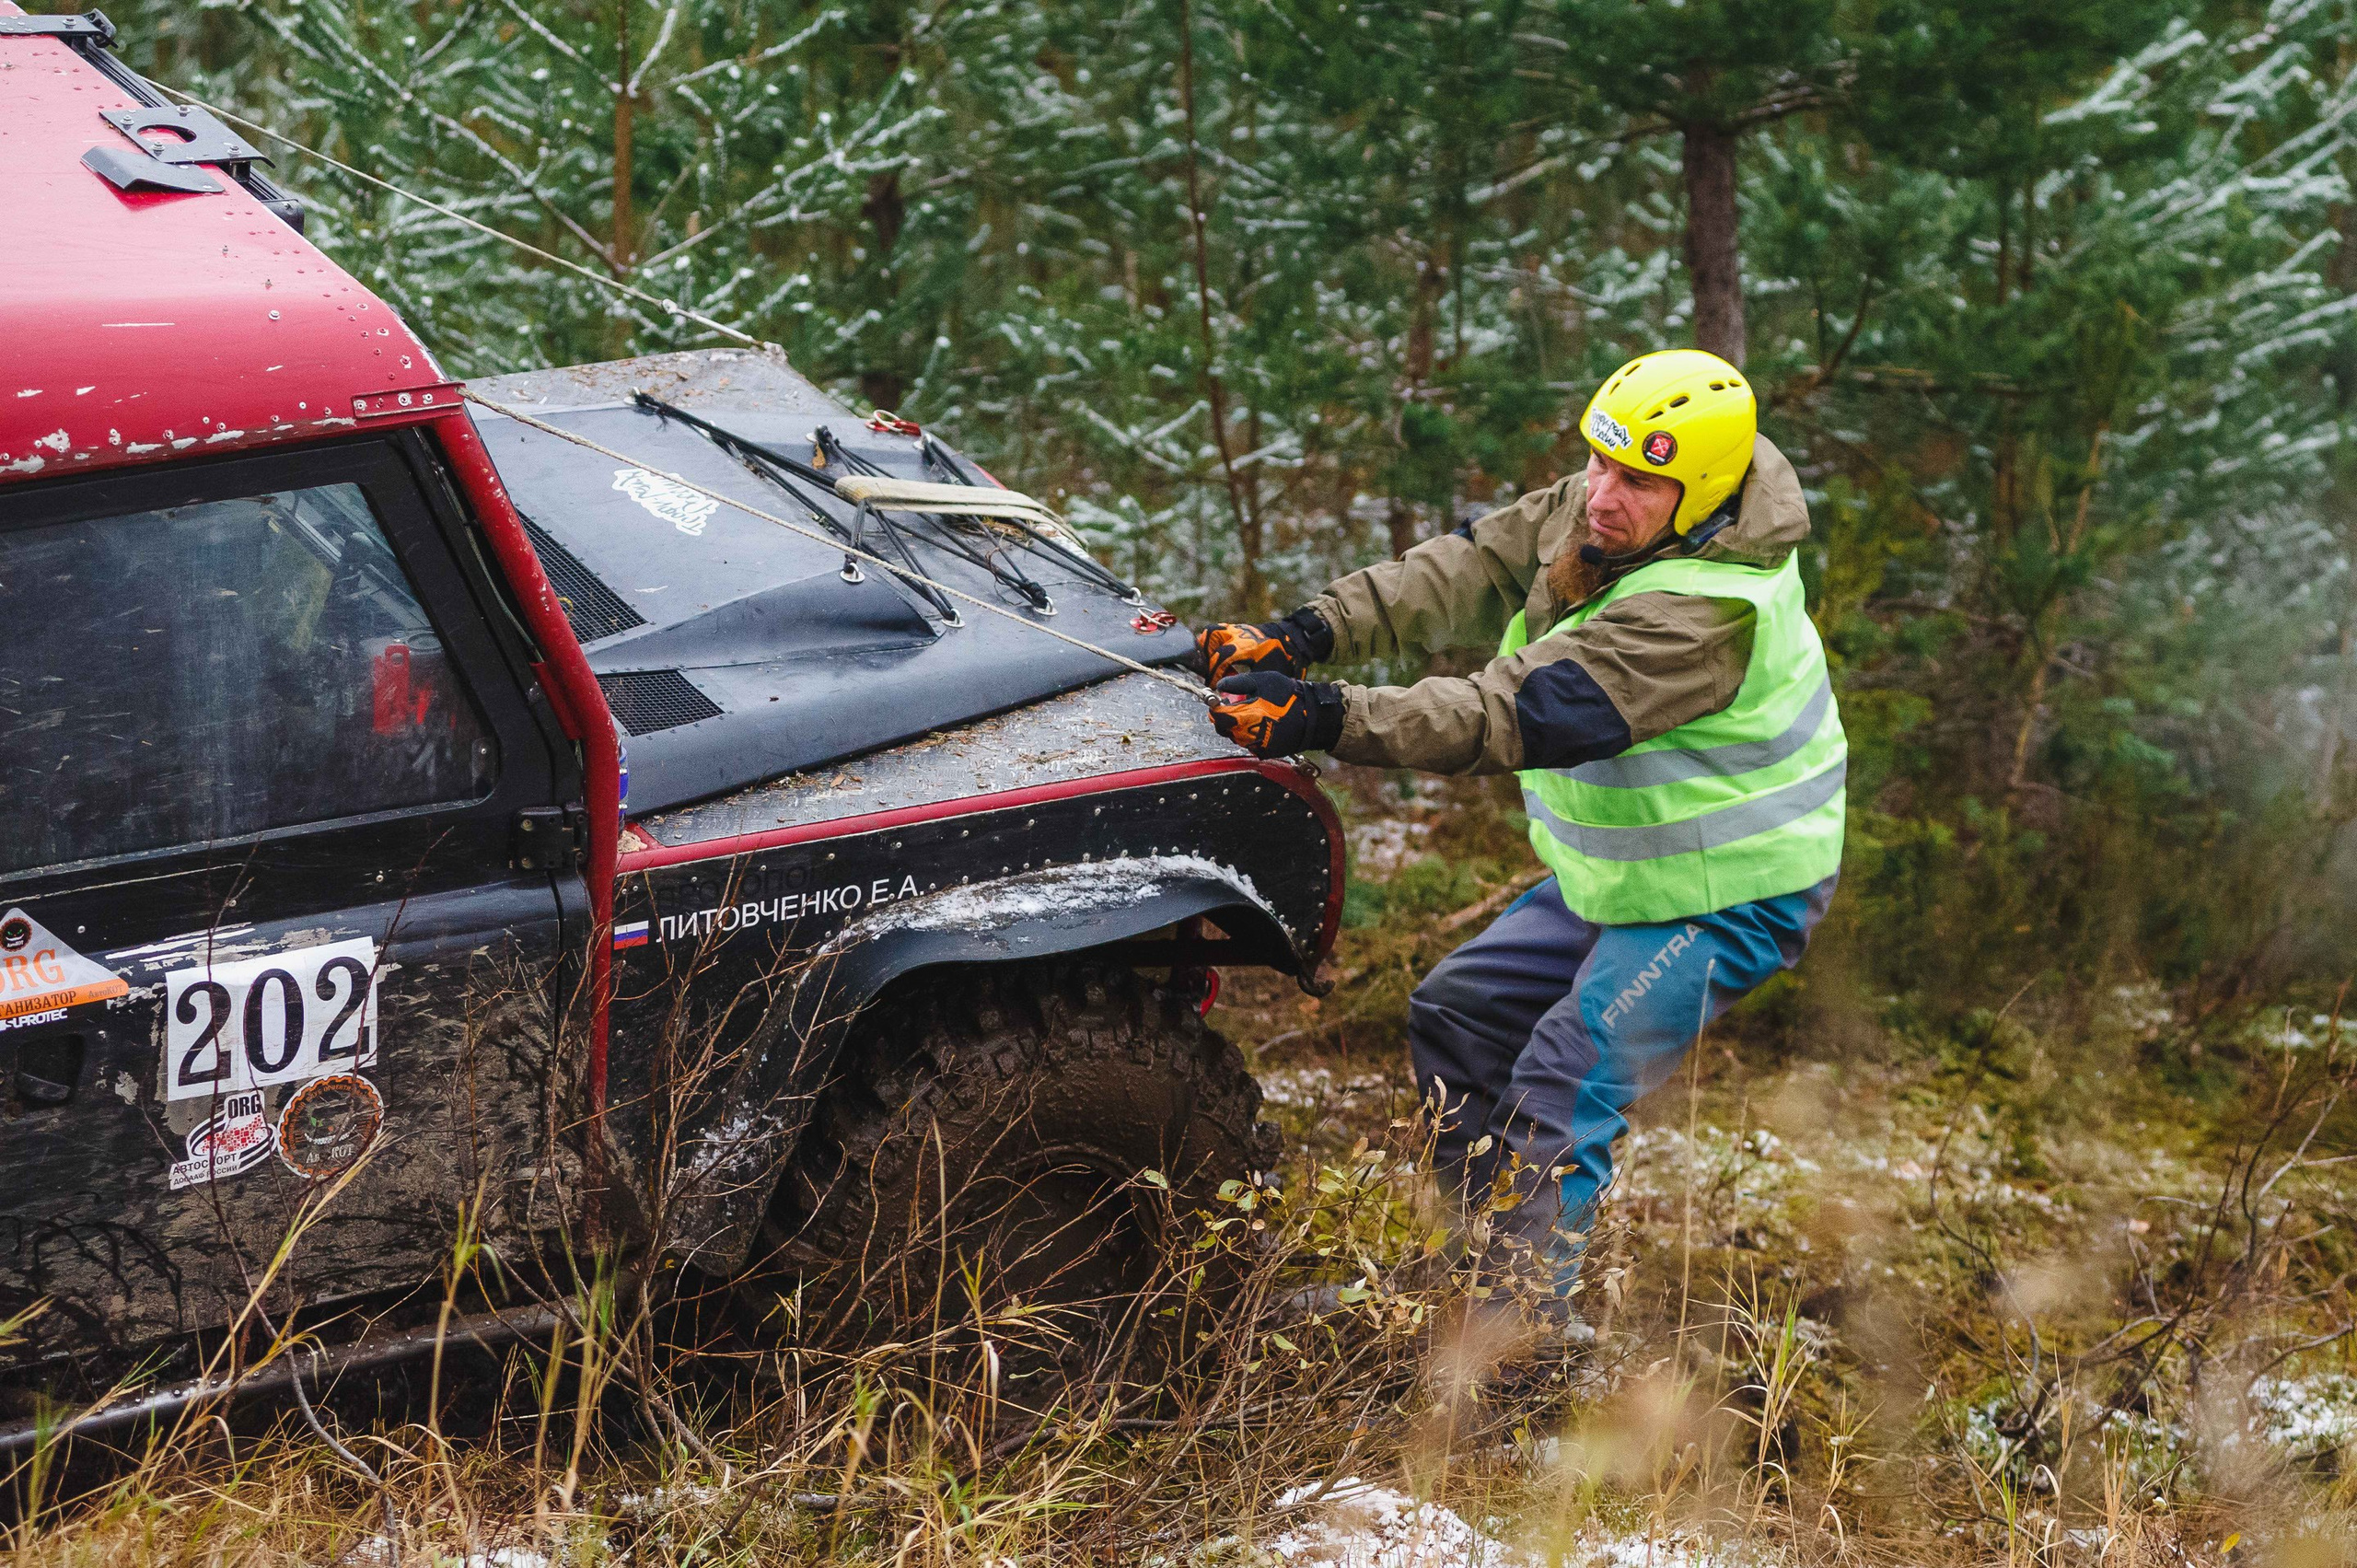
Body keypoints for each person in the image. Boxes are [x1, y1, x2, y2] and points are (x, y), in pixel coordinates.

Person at [1198, 349, 1844, 1324]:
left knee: (1564, 1073)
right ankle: (1475, 1278)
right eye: (1597, 460)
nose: (1600, 494)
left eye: (1634, 480)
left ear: (1700, 491)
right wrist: (1307, 632)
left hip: (1732, 891)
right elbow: (1468, 563)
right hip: (1631, 875)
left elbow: (1509, 711)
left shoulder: (1702, 615)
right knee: (1458, 1015)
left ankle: (1516, 1353)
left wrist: (1325, 714)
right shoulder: (1616, 510)